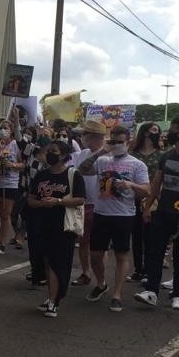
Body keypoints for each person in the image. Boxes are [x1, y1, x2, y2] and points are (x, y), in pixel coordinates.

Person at [135, 118, 179, 310]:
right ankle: (151, 290)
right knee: (155, 251)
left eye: (173, 131)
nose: (169, 135)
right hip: (163, 211)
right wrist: (147, 208)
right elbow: (156, 184)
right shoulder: (166, 157)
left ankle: (177, 293)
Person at [87, 126, 150, 312]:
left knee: (121, 254)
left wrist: (130, 184)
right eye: (112, 141)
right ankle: (101, 283)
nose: (115, 145)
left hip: (124, 214)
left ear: (128, 142)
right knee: (96, 254)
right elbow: (83, 169)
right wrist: (102, 151)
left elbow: (147, 189)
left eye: (119, 142)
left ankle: (117, 293)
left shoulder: (137, 164)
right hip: (101, 212)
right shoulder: (102, 160)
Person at [26, 140, 86, 317]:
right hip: (41, 224)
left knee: (57, 263)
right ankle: (52, 296)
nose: (50, 154)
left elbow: (80, 199)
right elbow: (30, 198)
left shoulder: (73, 175)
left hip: (63, 226)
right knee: (45, 261)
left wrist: (58, 201)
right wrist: (40, 204)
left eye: (54, 151)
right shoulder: (41, 175)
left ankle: (53, 301)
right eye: (48, 151)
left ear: (64, 156)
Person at [70, 122, 108, 287]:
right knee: (83, 240)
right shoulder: (82, 153)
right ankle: (86, 272)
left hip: (101, 203)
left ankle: (101, 275)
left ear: (96, 137)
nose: (83, 138)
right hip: (83, 202)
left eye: (86, 135)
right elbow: (77, 171)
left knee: (99, 243)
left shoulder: (107, 156)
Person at [128, 122, 163, 283]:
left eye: (158, 131)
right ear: (145, 133)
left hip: (154, 199)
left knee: (151, 237)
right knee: (136, 236)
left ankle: (149, 270)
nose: (156, 133)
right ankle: (138, 269)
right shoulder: (133, 153)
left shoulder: (161, 155)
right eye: (153, 130)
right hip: (134, 196)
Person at [0, 119, 23, 254]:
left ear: (11, 131)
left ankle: (2, 243)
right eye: (0, 127)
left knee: (5, 214)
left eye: (5, 128)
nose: (2, 130)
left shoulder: (15, 145)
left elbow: (23, 164)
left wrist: (13, 165)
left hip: (10, 184)